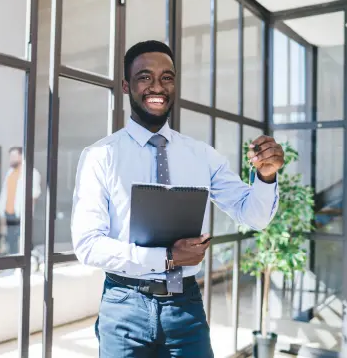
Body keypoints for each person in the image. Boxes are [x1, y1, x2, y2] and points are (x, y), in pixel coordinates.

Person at [71, 40, 284, 357]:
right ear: (127, 85)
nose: (157, 86)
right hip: (124, 304)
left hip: (185, 307)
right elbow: (88, 244)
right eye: (145, 77)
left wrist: (266, 177)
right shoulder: (101, 156)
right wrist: (167, 257)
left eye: (166, 77)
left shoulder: (201, 155)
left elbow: (254, 215)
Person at [0, 147, 41, 254]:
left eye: (13, 156)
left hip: (22, 214)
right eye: (10, 157)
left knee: (24, 241)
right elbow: (5, 193)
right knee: (11, 241)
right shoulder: (10, 173)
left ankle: (28, 265)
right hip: (9, 213)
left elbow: (34, 195)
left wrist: (27, 214)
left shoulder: (31, 172)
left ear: (21, 156)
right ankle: (13, 266)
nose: (11, 159)